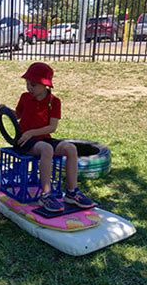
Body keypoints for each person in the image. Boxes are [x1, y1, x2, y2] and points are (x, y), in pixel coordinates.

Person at [14, 62, 94, 212]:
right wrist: (4, 110)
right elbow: (17, 115)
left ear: (45, 85)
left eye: (33, 85)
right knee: (47, 149)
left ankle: (72, 192)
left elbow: (52, 127)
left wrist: (33, 132)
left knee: (70, 148)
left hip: (42, 138)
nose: (29, 88)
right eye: (27, 84)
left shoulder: (54, 102)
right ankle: (46, 195)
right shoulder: (25, 97)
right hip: (25, 140)